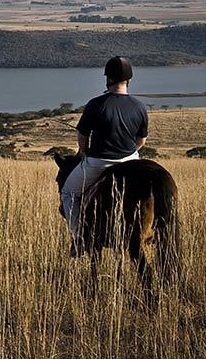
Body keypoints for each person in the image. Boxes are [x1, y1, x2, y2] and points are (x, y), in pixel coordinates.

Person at [61, 56, 148, 256]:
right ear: (129, 80)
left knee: (68, 193)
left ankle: (79, 236)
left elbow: (82, 135)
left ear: (108, 79)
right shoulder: (140, 106)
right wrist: (128, 154)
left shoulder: (95, 104)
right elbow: (141, 141)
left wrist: (83, 152)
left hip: (98, 163)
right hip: (131, 162)